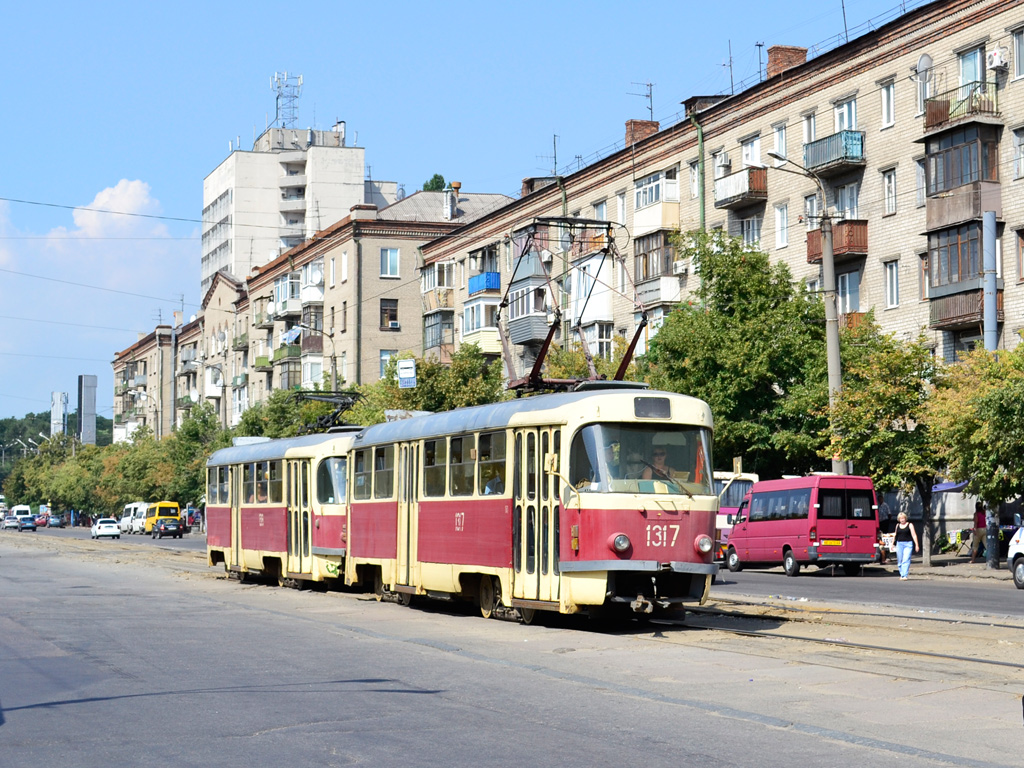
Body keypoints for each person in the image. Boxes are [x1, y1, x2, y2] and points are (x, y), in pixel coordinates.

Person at [893, 511, 919, 580]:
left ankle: (904, 575)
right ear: (899, 519)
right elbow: (895, 535)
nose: (902, 520)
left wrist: (917, 545)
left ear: (905, 518)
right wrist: (892, 544)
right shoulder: (897, 525)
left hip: (908, 544)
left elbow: (914, 535)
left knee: (906, 559)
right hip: (899, 544)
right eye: (900, 518)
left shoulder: (910, 525)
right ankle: (901, 574)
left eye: (903, 518)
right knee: (900, 560)